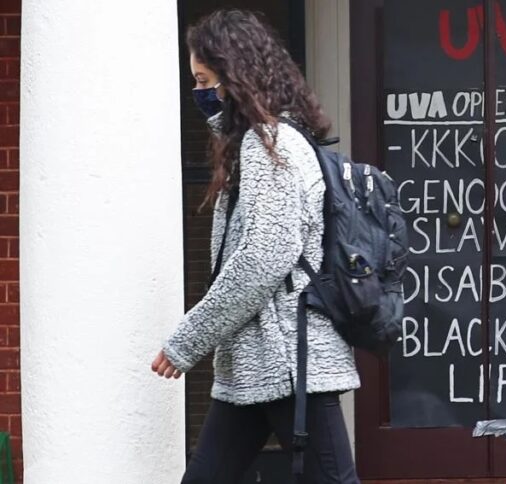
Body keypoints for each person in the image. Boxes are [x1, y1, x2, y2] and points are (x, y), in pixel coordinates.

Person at [149, 9, 360, 483]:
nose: (199, 93)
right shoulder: (256, 142)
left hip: (289, 361)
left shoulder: (271, 144)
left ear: (234, 76)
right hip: (253, 365)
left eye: (204, 79)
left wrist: (187, 340)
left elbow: (264, 256)